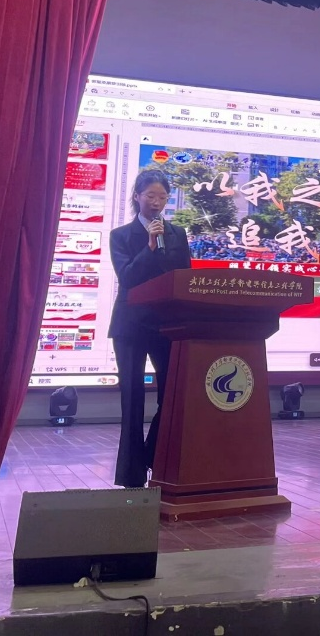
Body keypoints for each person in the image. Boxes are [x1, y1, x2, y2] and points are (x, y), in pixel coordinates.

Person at [109, 169, 192, 488]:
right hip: (130, 327)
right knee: (132, 400)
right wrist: (151, 246)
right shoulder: (121, 235)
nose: (156, 203)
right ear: (137, 197)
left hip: (166, 326)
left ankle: (152, 455)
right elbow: (128, 278)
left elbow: (184, 278)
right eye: (150, 196)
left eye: (162, 197)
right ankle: (131, 474)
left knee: (171, 394)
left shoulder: (178, 234)